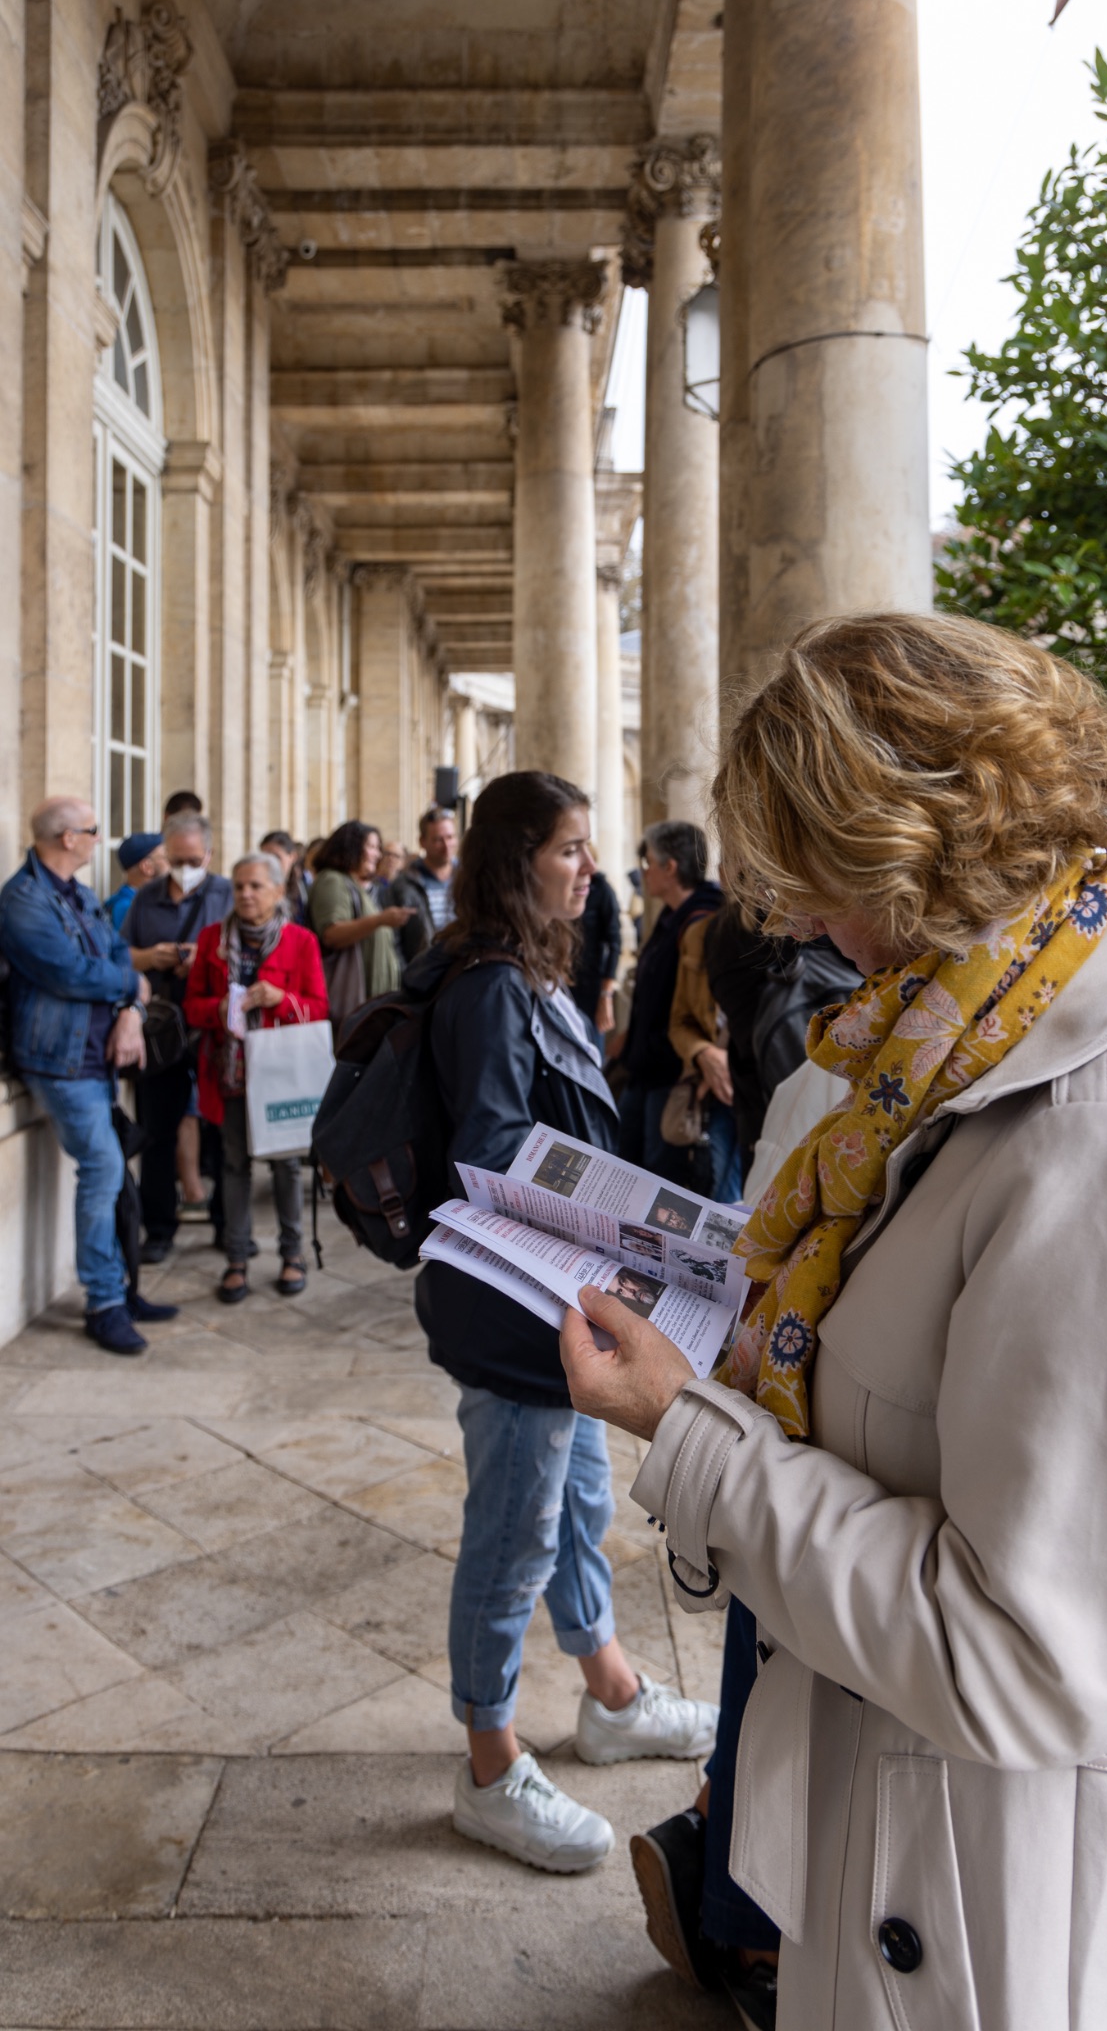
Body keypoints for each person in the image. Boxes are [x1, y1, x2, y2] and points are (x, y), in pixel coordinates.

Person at [561, 613, 1107, 2030]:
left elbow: (1025, 1659)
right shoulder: (989, 1034)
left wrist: (685, 1429)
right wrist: (758, 1356)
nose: (802, 922)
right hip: (978, 1877)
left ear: (905, 849)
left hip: (1056, 1933)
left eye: (813, 874)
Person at [413, 770, 718, 1875]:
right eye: (571, 849)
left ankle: (610, 1690)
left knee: (580, 1498)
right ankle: (488, 1761)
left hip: (558, 1299)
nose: (589, 866)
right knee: (515, 1526)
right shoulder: (492, 983)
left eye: (588, 849)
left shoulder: (532, 969)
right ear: (516, 859)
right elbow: (492, 1147)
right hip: (514, 1305)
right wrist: (622, 1215)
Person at [0, 798, 176, 1355]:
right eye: (94, 830)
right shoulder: (24, 899)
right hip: (60, 1058)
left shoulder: (75, 893)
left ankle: (120, 1289)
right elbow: (69, 972)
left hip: (98, 1054)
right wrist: (131, 991)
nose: (101, 838)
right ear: (68, 837)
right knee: (102, 1165)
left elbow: (120, 956)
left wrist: (130, 1010)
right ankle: (104, 1302)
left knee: (112, 1167)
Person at [184, 852, 328, 1303]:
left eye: (255, 886)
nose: (245, 894)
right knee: (233, 1165)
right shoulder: (211, 940)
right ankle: (237, 1257)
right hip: (228, 1074)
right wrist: (224, 1011)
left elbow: (319, 1008)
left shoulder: (300, 941)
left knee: (285, 1165)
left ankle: (293, 1253)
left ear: (277, 891)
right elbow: (192, 1006)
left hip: (279, 1074)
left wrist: (281, 999)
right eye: (239, 886)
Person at [123, 809, 233, 1264]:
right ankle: (160, 1228)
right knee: (157, 1131)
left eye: (194, 859)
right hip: (163, 1028)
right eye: (178, 859)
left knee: (223, 1131)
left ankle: (229, 1226)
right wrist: (152, 957)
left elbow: (247, 953)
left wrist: (203, 959)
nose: (186, 868)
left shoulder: (228, 893)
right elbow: (123, 956)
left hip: (214, 1027)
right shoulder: (145, 899)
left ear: (208, 854)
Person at [614, 823, 721, 1184]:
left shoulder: (703, 920)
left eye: (648, 862)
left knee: (658, 1184)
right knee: (625, 1172)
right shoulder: (669, 917)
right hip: (645, 1069)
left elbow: (701, 1008)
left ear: (670, 868)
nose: (644, 872)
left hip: (673, 1076)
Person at [668, 905, 742, 1203]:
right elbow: (678, 1022)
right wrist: (704, 1053)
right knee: (721, 1198)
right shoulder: (700, 934)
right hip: (717, 1098)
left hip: (769, 1095)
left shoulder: (799, 931)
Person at [308, 820, 414, 1017]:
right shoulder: (332, 881)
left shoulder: (353, 884)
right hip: (352, 1003)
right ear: (351, 847)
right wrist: (380, 920)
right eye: (372, 847)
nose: (378, 855)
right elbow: (332, 933)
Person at [384, 805, 458, 963]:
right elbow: (394, 940)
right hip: (423, 973)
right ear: (422, 841)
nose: (446, 846)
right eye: (438, 839)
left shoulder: (469, 877)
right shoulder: (404, 884)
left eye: (450, 837)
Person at [569, 868, 622, 1053]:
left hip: (591, 987)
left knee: (591, 1052)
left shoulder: (602, 890)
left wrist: (606, 996)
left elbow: (614, 943)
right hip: (560, 985)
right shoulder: (560, 888)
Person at [103, 833, 166, 935]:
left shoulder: (140, 902)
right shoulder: (126, 907)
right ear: (147, 867)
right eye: (166, 857)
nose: (173, 863)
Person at [259, 830, 309, 925]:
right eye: (264, 858)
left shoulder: (306, 888)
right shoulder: (255, 890)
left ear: (293, 857)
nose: (271, 864)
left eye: (276, 857)